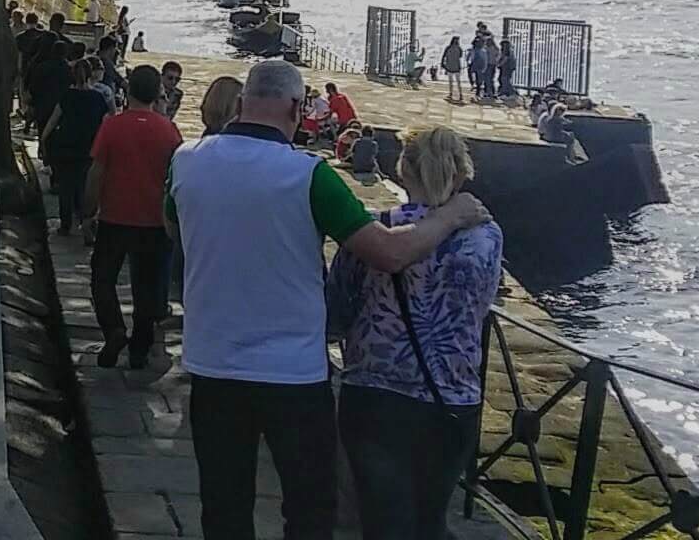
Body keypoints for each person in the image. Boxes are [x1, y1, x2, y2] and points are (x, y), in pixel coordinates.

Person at [164, 60, 491, 540]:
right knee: (309, 507)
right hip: (292, 373)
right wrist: (450, 217)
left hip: (212, 363)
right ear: (296, 108)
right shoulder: (309, 175)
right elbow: (388, 253)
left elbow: (174, 228)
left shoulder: (186, 160)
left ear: (241, 104)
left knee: (223, 504)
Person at [329, 127, 503, 540]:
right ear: (461, 175)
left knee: (381, 523)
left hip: (375, 391)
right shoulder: (486, 237)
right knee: (429, 522)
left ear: (402, 170)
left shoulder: (375, 231)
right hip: (451, 396)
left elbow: (337, 309)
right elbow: (480, 306)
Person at [86, 65, 183, 368]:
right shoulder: (169, 131)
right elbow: (177, 178)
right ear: (157, 93)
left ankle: (114, 329)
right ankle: (140, 348)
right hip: (154, 221)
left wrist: (88, 210)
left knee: (102, 279)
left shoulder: (113, 126)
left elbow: (97, 172)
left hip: (114, 217)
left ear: (128, 90)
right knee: (147, 287)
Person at [41, 58, 112, 236]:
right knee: (85, 188)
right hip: (89, 149)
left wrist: (44, 141)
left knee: (65, 188)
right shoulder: (98, 98)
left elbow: (52, 122)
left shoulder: (67, 96)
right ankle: (86, 226)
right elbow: (106, 124)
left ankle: (65, 226)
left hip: (66, 149)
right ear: (90, 74)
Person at [440, 36, 465, 102]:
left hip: (451, 66)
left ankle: (455, 94)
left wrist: (442, 63)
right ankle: (458, 94)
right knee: (456, 82)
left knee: (453, 82)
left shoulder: (449, 48)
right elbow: (460, 56)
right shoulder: (458, 48)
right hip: (454, 66)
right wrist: (442, 63)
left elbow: (444, 56)